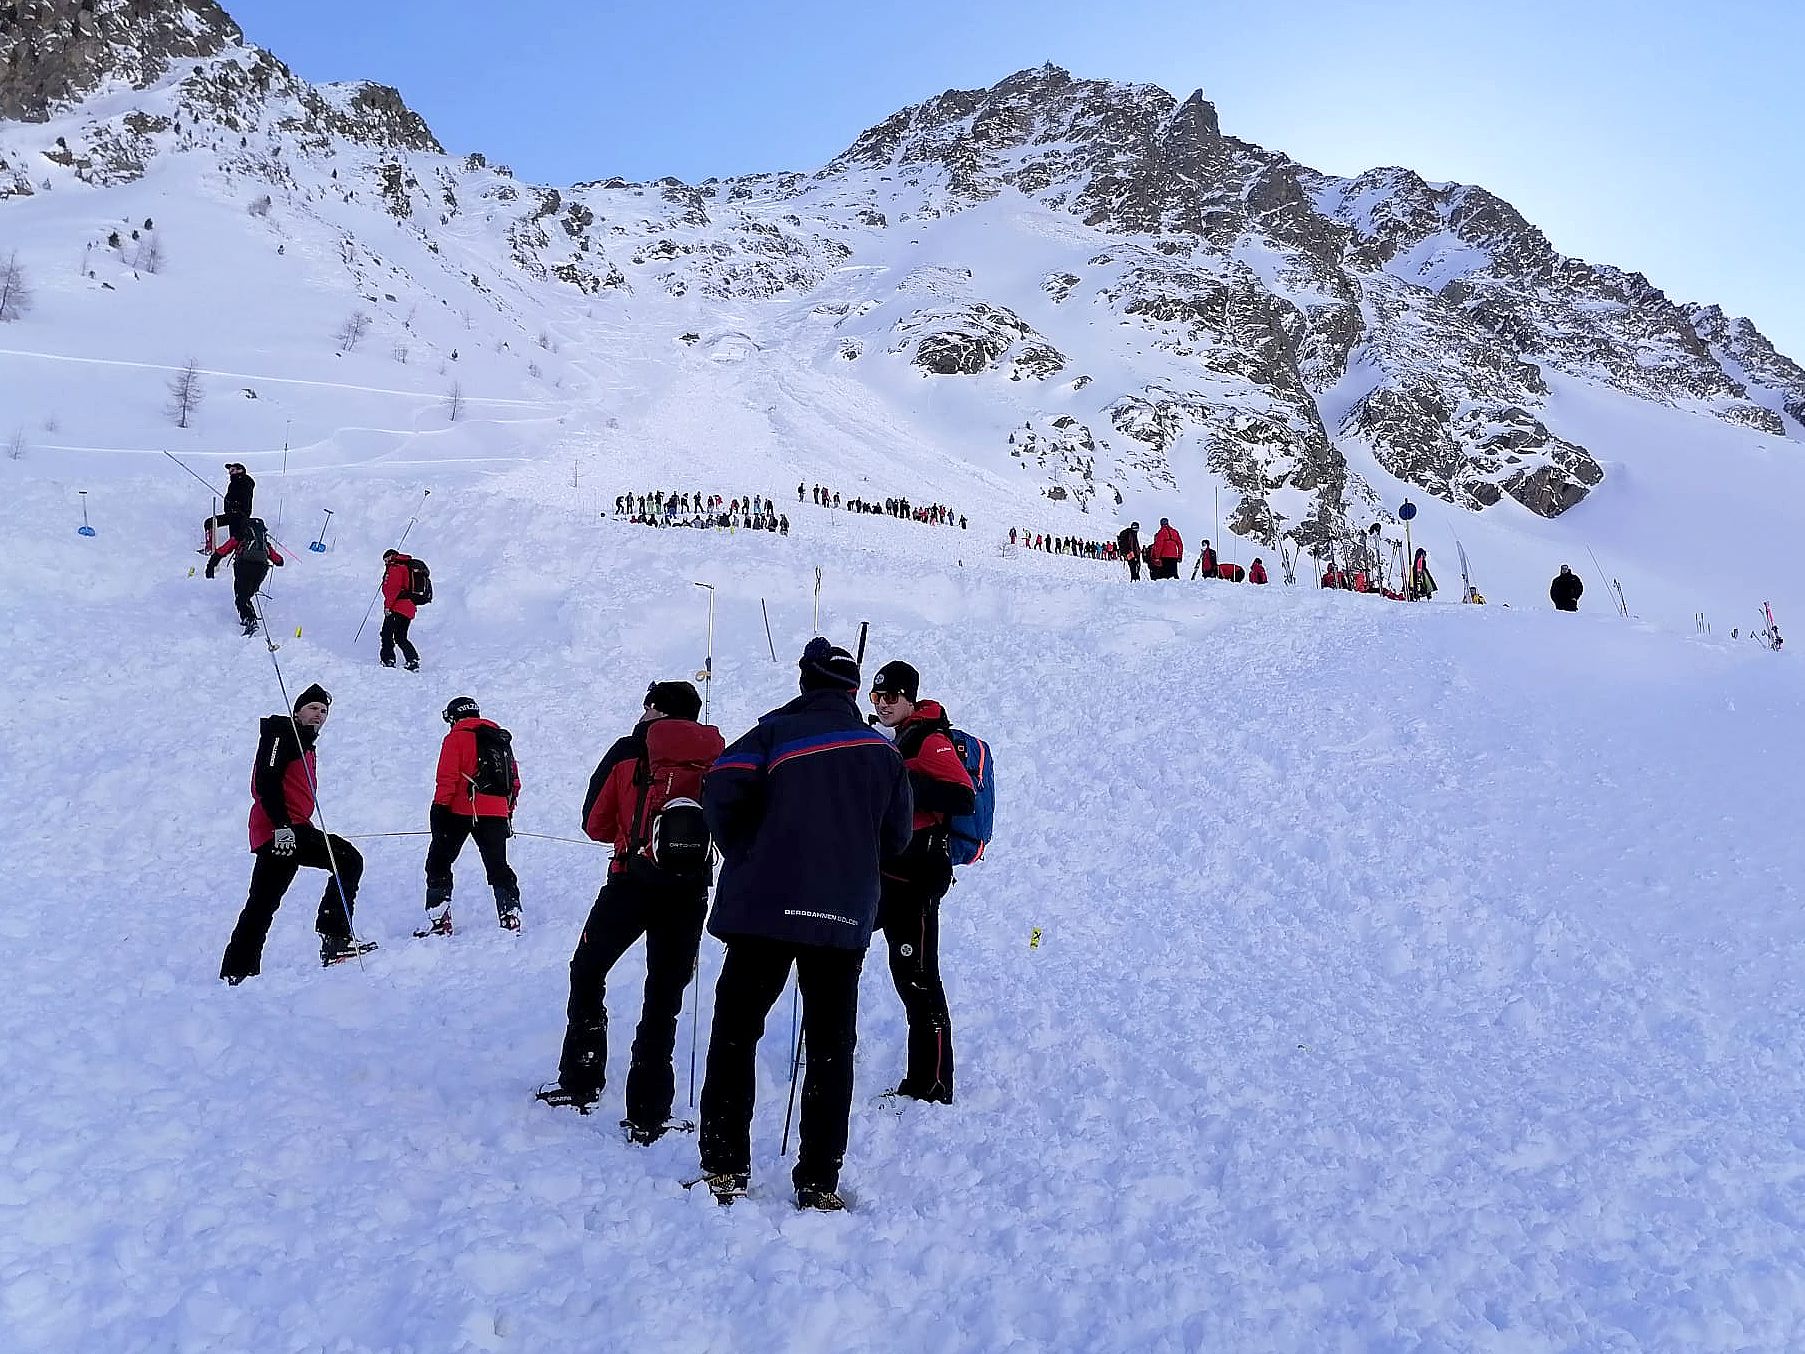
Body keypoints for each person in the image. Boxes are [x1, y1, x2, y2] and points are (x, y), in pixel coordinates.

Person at [694, 638, 912, 1210]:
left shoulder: (773, 734)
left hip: (763, 911)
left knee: (736, 1034)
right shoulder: (885, 755)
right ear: (852, 689)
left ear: (805, 681)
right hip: (841, 917)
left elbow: (719, 786)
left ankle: (724, 1167)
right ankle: (819, 1181)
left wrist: (742, 850)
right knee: (832, 1047)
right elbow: (897, 840)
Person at [540, 681, 724, 1141]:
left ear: (654, 709)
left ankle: (581, 1078)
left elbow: (595, 823)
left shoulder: (630, 749)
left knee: (588, 969)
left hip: (631, 880)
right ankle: (648, 1110)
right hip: (689, 892)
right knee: (664, 996)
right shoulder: (715, 755)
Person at [868, 660, 975, 1105]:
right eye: (876, 696)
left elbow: (962, 795)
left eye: (891, 696)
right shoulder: (895, 738)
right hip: (887, 872)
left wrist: (904, 780)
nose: (883, 703)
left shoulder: (931, 741)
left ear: (911, 697)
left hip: (917, 879)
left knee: (917, 977)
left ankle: (932, 1082)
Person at [220, 685, 373, 982]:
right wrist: (283, 828)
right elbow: (266, 781)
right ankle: (335, 937)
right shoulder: (283, 733)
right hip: (282, 830)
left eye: (324, 711)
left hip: (284, 830)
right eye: (313, 708)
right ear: (298, 711)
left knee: (262, 904)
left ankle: (237, 971)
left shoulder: (303, 743)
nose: (319, 714)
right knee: (347, 859)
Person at [422, 697, 522, 935]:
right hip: (497, 812)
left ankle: (440, 919)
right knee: (498, 865)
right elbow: (514, 782)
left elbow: (447, 778)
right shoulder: (500, 740)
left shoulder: (455, 737)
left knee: (439, 861)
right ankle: (510, 914)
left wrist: (439, 809)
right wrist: (507, 811)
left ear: (453, 717)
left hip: (460, 809)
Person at [204, 516, 284, 635]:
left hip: (243, 567)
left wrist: (211, 566)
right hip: (261, 569)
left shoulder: (240, 537)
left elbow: (223, 550)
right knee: (247, 595)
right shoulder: (263, 543)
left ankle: (250, 620)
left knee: (241, 597)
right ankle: (250, 617)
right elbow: (279, 561)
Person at [379, 549, 420, 670]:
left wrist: (387, 607)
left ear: (391, 556)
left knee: (386, 633)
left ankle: (388, 659)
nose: (385, 562)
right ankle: (412, 660)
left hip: (397, 606)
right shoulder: (407, 567)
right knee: (400, 636)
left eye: (386, 559)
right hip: (409, 607)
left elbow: (393, 589)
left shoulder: (395, 567)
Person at [202, 461, 255, 551]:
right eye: (229, 470)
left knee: (235, 538)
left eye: (232, 470)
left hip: (240, 515)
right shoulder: (233, 483)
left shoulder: (245, 481)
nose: (230, 472)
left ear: (240, 470)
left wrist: (237, 505)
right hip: (232, 514)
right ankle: (210, 547)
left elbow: (246, 497)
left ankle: (239, 553)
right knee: (209, 523)